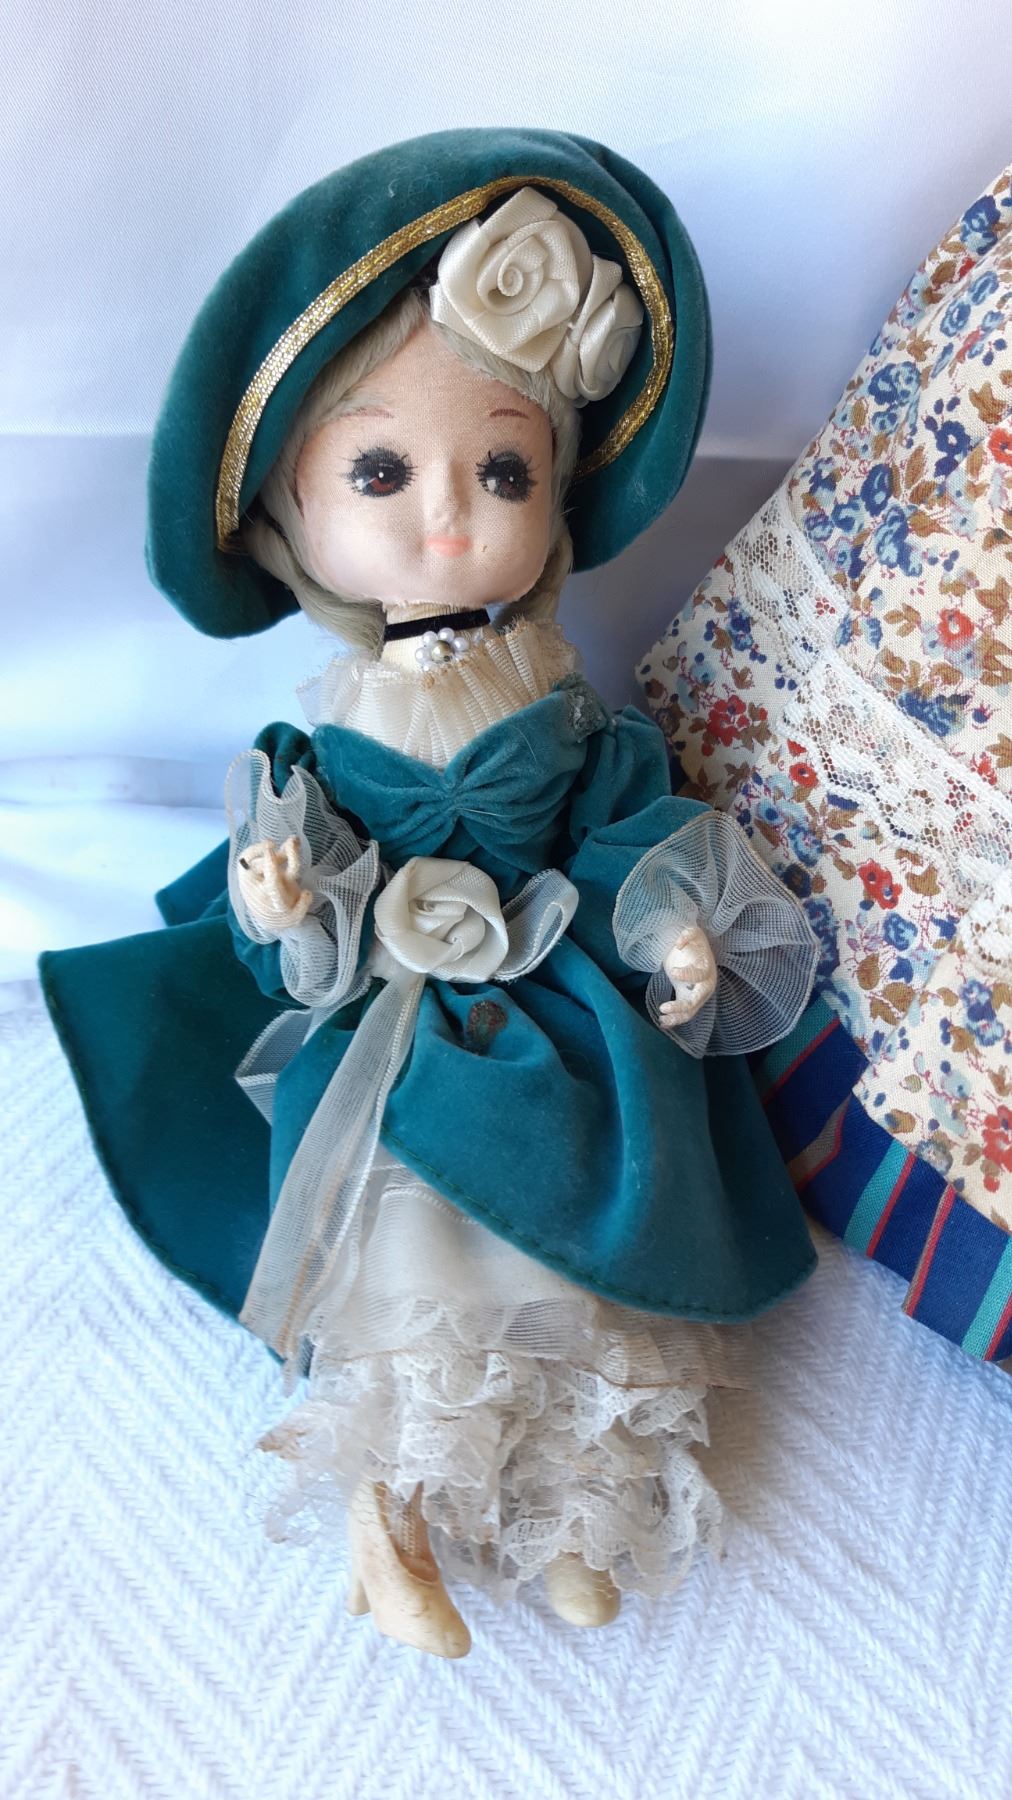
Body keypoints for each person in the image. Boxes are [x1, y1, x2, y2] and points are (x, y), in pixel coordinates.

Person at [40, 132, 817, 1659]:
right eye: (382, 470)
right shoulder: (325, 729)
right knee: (402, 1246)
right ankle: (386, 1527)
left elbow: (621, 827)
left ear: (558, 495)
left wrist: (670, 921)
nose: (448, 518)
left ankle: (579, 1517)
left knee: (586, 1241)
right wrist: (288, 897)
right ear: (294, 510)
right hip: (390, 1019)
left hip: (554, 997)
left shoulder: (568, 704)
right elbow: (298, 880)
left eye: (503, 469)